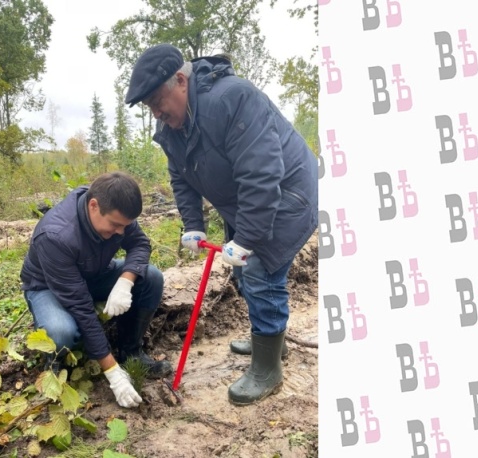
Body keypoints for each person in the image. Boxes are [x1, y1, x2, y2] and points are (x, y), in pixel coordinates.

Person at [125, 44, 318, 406]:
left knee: (260, 272)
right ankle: (272, 345)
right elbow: (180, 176)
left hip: (288, 194)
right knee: (243, 273)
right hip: (247, 201)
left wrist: (246, 239)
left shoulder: (233, 99)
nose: (155, 113)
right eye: (149, 107)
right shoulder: (173, 125)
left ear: (181, 80)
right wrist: (194, 225)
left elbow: (262, 176)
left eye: (156, 102)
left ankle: (267, 369)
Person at [19, 171, 172, 409]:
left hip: (93, 272)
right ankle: (55, 361)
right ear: (93, 206)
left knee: (151, 276)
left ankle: (130, 352)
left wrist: (125, 282)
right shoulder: (56, 236)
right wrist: (112, 373)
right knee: (60, 332)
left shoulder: (115, 207)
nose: (121, 232)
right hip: (47, 286)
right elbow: (81, 307)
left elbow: (140, 243)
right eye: (115, 225)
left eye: (125, 226)